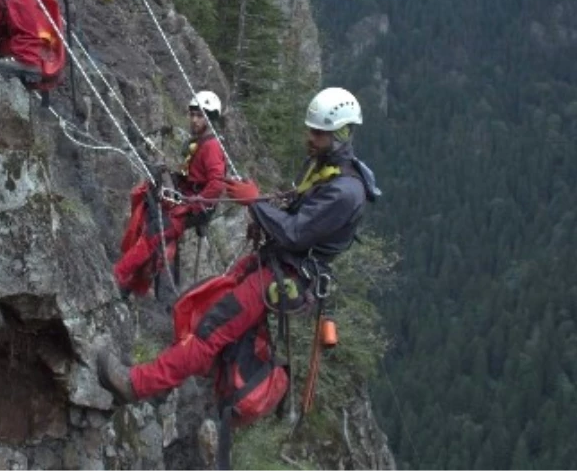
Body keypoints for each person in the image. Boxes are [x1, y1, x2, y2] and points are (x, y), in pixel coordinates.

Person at [97, 87, 378, 404]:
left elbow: (296, 233)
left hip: (284, 275)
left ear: (339, 134)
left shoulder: (344, 191)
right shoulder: (325, 168)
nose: (309, 137)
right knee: (199, 305)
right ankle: (170, 376)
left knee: (211, 329)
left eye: (317, 133)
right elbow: (297, 212)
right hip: (274, 262)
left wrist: (255, 205)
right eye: (310, 129)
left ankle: (138, 384)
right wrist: (263, 214)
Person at [112, 91, 228, 297]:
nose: (194, 119)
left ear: (210, 119)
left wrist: (193, 203)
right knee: (147, 202)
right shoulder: (199, 141)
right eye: (192, 114)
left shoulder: (211, 147)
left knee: (155, 232)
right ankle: (133, 279)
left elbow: (217, 183)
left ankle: (120, 276)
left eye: (200, 115)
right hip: (188, 196)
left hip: (195, 206)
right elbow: (194, 174)